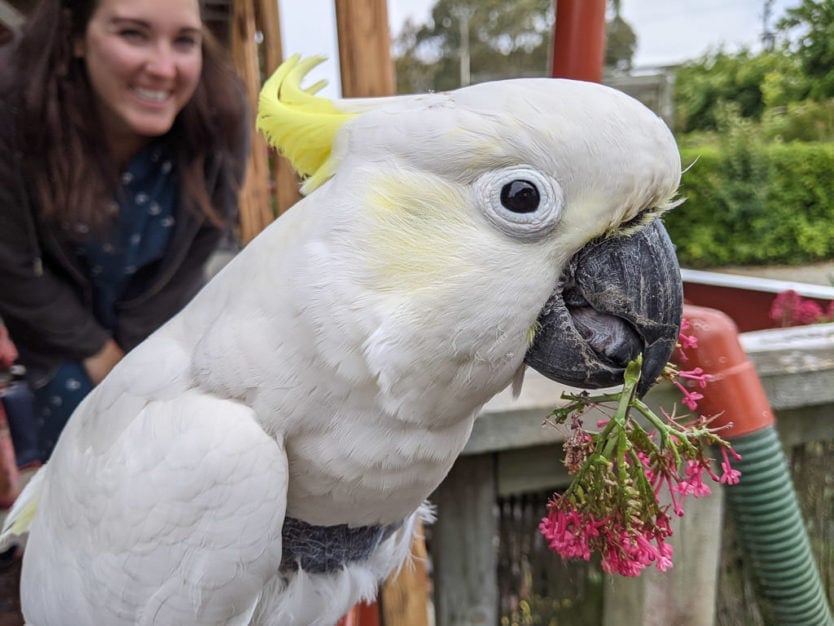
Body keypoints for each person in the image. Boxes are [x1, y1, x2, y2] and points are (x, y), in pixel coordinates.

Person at [0, 0, 250, 462]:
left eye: (184, 41)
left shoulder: (222, 114)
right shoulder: (13, 107)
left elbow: (201, 244)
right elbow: (9, 260)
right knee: (73, 466)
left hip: (164, 322)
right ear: (76, 36)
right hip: (53, 328)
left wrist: (136, 361)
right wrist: (95, 350)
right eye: (133, 34)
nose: (163, 67)